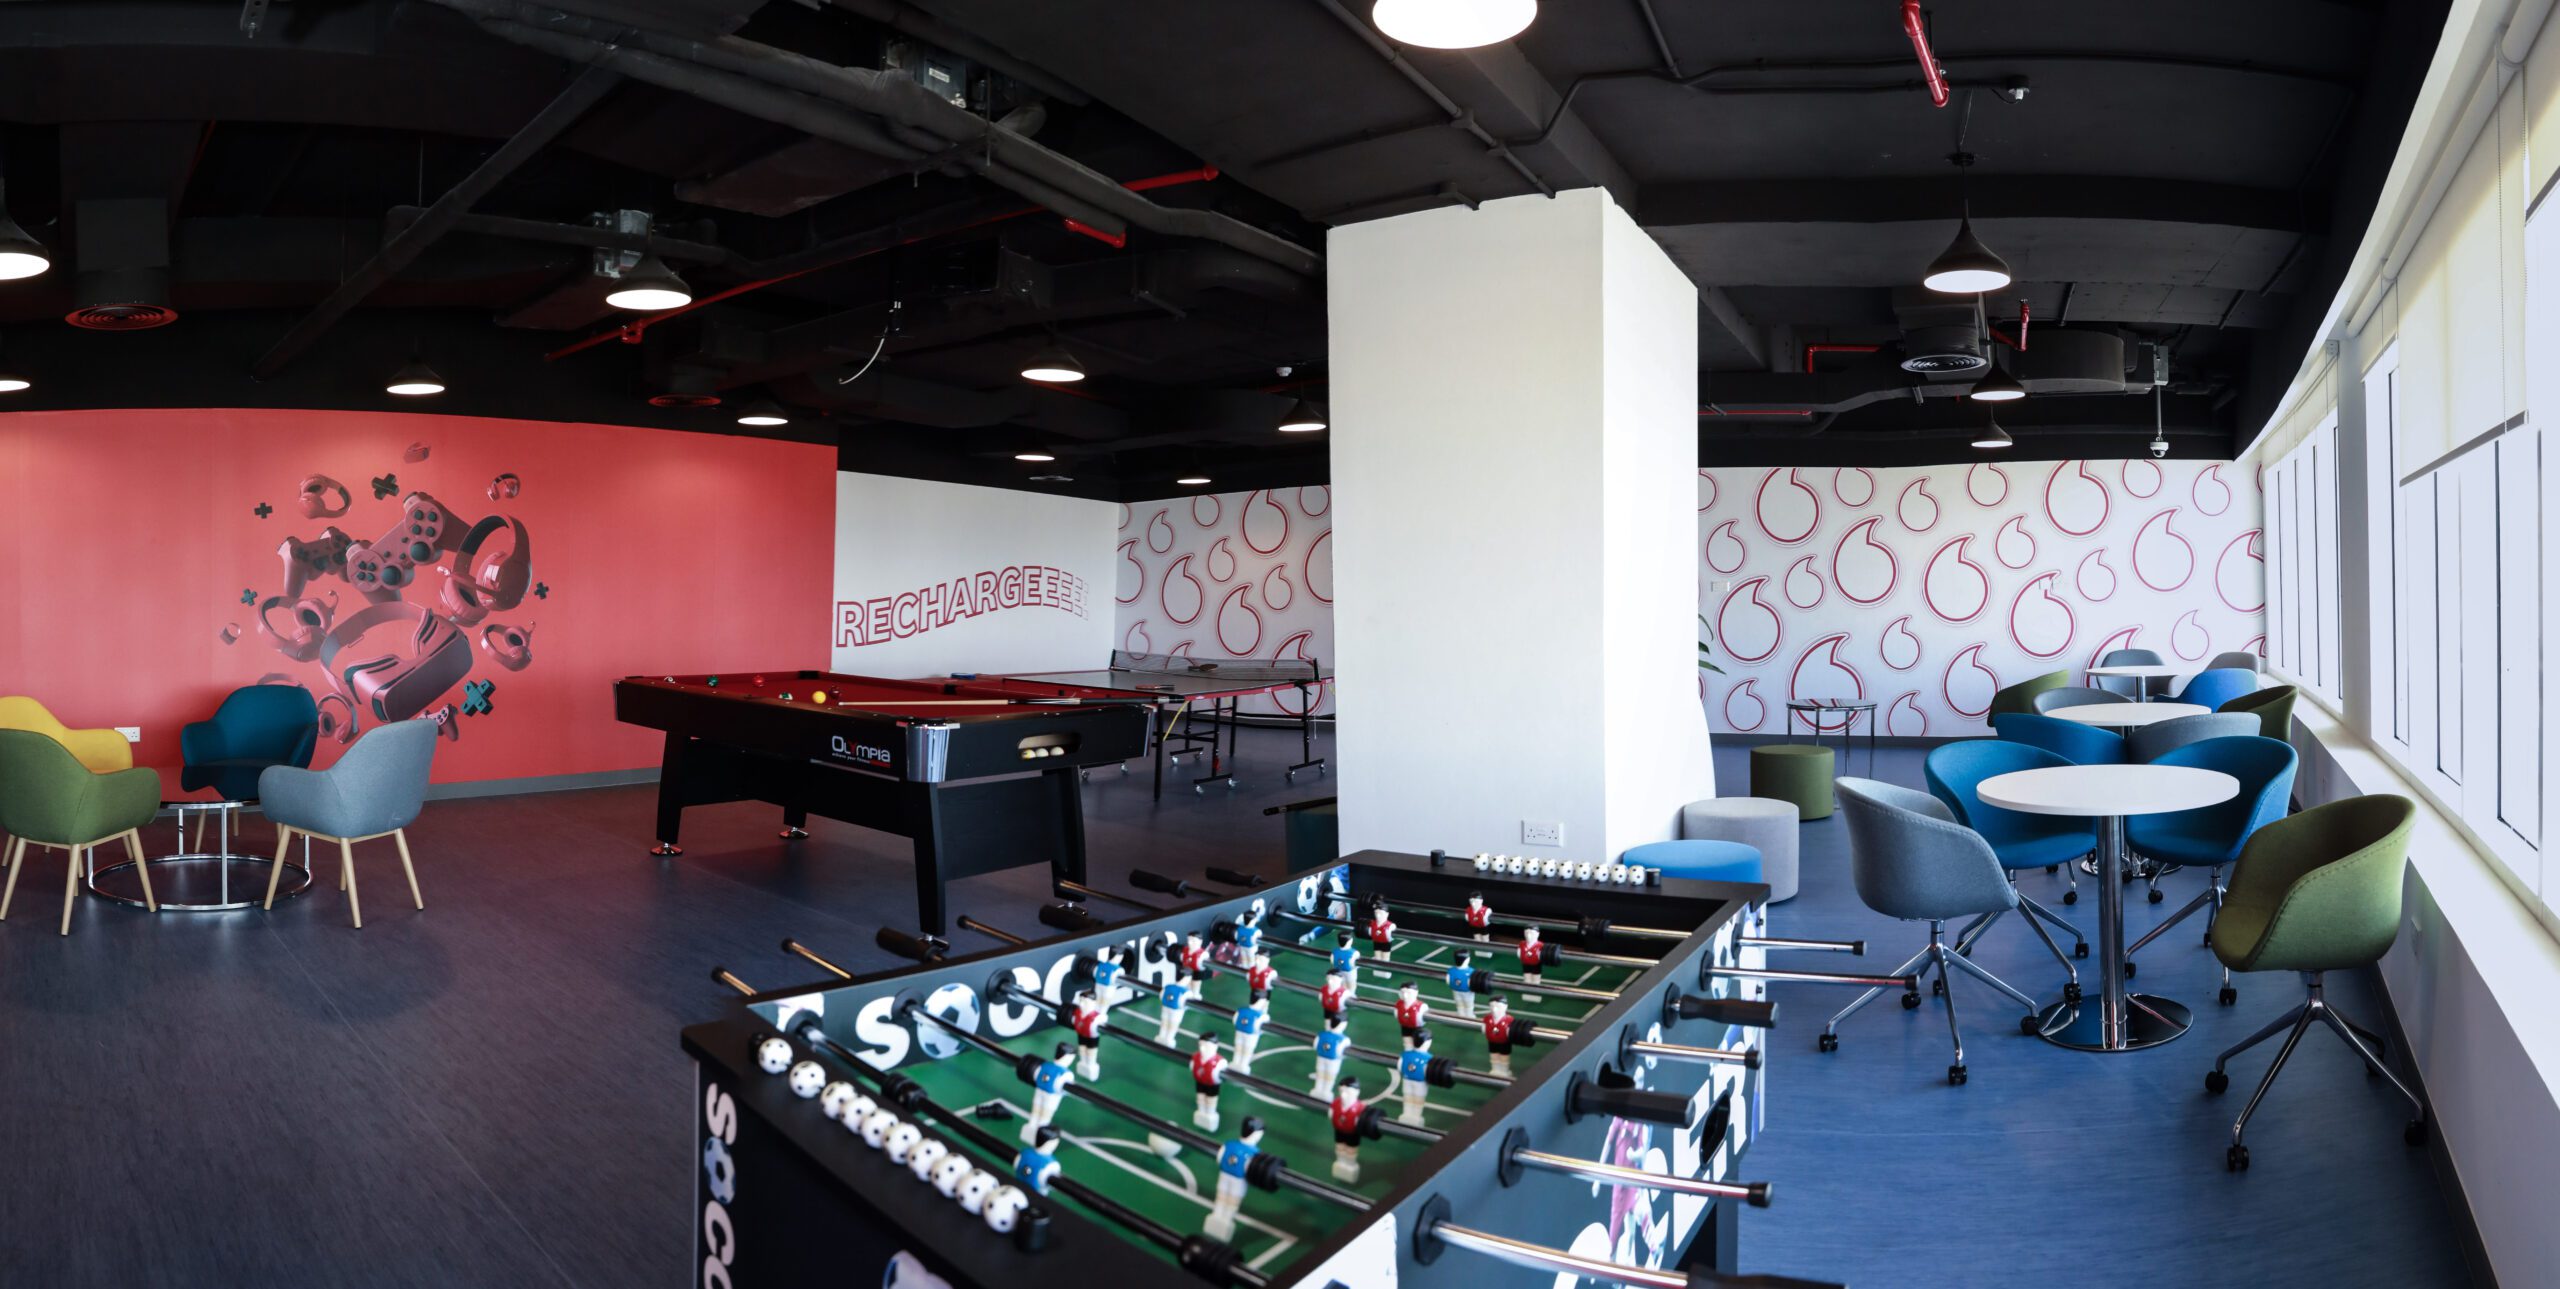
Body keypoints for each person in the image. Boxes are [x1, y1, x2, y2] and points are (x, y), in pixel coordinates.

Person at [1203, 1117, 1265, 1242]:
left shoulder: (1230, 1144)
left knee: (1221, 1198)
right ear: (1256, 1134)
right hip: (1238, 1181)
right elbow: (1251, 1170)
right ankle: (1225, 1220)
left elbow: (1220, 1158)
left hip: (1224, 1175)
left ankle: (1217, 1215)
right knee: (1232, 1202)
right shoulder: (1255, 1153)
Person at [1023, 1041, 1075, 1143]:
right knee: (1045, 1115)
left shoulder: (1045, 1065)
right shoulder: (1067, 1074)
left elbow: (1036, 1075)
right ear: (1067, 1057)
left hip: (1039, 1091)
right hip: (1052, 1096)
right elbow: (1066, 1090)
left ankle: (1032, 1125)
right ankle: (1040, 1131)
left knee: (1036, 1110)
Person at [1328, 1077, 1368, 1182]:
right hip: (1339, 1131)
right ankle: (1340, 1162)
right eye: (1341, 1091)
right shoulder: (1336, 1104)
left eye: (1347, 1092)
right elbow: (1331, 1114)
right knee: (1339, 1147)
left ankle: (1350, 1165)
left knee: (1350, 1150)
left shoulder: (1360, 1109)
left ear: (1357, 1092)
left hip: (1352, 1133)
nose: (1343, 1095)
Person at [1190, 1034, 1227, 1132]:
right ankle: (1201, 1111)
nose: (1202, 1049)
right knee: (1200, 1098)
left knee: (1211, 1100)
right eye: (1200, 1045)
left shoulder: (1220, 1062)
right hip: (1200, 1082)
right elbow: (1192, 1067)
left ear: (1215, 1046)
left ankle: (1210, 1113)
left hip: (1212, 1085)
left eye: (1206, 1046)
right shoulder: (1196, 1057)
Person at [1067, 989, 1107, 1080]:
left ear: (1093, 1003)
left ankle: (1090, 1065)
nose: (1081, 1004)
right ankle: (1083, 1063)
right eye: (1080, 1001)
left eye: (1085, 1002)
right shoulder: (1077, 1012)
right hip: (1081, 1034)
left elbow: (1103, 1019)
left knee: (1091, 1052)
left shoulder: (1097, 1017)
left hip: (1092, 1038)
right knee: (1082, 1049)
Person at [1397, 1032, 1435, 1125]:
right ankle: (1415, 1116)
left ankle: (1406, 1114)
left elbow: (1400, 1066)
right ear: (1427, 1042)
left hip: (1407, 1080)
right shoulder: (1429, 1058)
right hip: (1420, 1083)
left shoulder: (1406, 1054)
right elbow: (1429, 1072)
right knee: (1418, 1100)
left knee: (1407, 1098)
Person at [1012, 1126, 1061, 1196]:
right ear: (1051, 1143)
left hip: (1016, 1191)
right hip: (1036, 1197)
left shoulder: (1023, 1153)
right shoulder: (1053, 1165)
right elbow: (1053, 1186)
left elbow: (1016, 1166)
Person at [1310, 1013, 1350, 1097]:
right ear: (1343, 1025)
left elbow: (1315, 1045)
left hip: (1321, 1057)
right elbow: (1340, 1052)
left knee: (1320, 1074)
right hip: (1333, 1061)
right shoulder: (1344, 1039)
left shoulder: (1322, 1034)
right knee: (1330, 1077)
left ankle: (1317, 1089)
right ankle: (1326, 1092)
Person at [1482, 995, 1520, 1079]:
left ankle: (1504, 1070)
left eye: (1498, 1007)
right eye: (1492, 1006)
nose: (1494, 1009)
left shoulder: (1509, 1020)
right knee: (1494, 1056)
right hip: (1492, 1042)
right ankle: (1495, 1069)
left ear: (1505, 1007)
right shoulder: (1487, 1018)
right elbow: (1484, 1027)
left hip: (1504, 1043)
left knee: (1504, 1057)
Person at [1157, 972, 1196, 1046]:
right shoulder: (1186, 992)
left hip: (1165, 1008)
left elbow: (1161, 996)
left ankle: (1161, 1036)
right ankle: (1169, 1039)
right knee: (1173, 1025)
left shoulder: (1168, 986)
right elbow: (1188, 1004)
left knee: (1164, 1022)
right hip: (1177, 1011)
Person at [1231, 1000, 1268, 1075]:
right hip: (1251, 1035)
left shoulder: (1241, 1010)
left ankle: (1235, 1062)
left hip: (1239, 1032)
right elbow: (1262, 1025)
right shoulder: (1260, 1015)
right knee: (1247, 1051)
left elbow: (1234, 1020)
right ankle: (1243, 1066)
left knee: (1238, 1048)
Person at [1445, 950, 1482, 1019]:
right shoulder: (1471, 971)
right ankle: (1469, 1015)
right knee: (1469, 1005)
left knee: (1459, 1004)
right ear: (1467, 960)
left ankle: (1460, 1014)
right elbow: (1473, 983)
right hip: (1467, 992)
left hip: (1455, 991)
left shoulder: (1451, 970)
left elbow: (1448, 981)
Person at [1393, 981, 1429, 1047]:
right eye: (1403, 992)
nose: (1405, 995)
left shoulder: (1421, 1007)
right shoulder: (1398, 1004)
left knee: (1418, 1045)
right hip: (1405, 1028)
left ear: (1416, 993)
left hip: (1417, 1029)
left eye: (1408, 993)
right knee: (1407, 1045)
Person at [1517, 926, 1546, 1000]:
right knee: (1527, 978)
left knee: (1536, 980)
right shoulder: (1522, 944)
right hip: (1526, 964)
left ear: (1537, 934)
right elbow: (1519, 953)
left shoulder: (1540, 945)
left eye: (1531, 933)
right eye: (1526, 933)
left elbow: (1543, 956)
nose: (1528, 936)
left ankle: (1535, 993)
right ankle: (1527, 992)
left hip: (1536, 965)